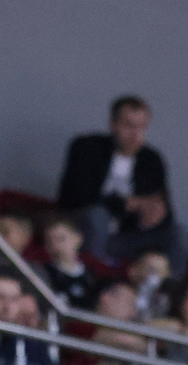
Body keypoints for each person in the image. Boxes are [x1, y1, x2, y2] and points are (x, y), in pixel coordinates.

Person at [56, 95, 178, 262]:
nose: (135, 134)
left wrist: (155, 214)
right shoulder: (86, 148)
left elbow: (162, 205)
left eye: (141, 127)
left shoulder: (152, 161)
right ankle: (94, 271)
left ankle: (167, 287)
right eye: (128, 126)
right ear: (113, 125)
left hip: (125, 236)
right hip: (82, 229)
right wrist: (124, 204)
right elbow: (75, 196)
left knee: (178, 235)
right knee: (98, 216)